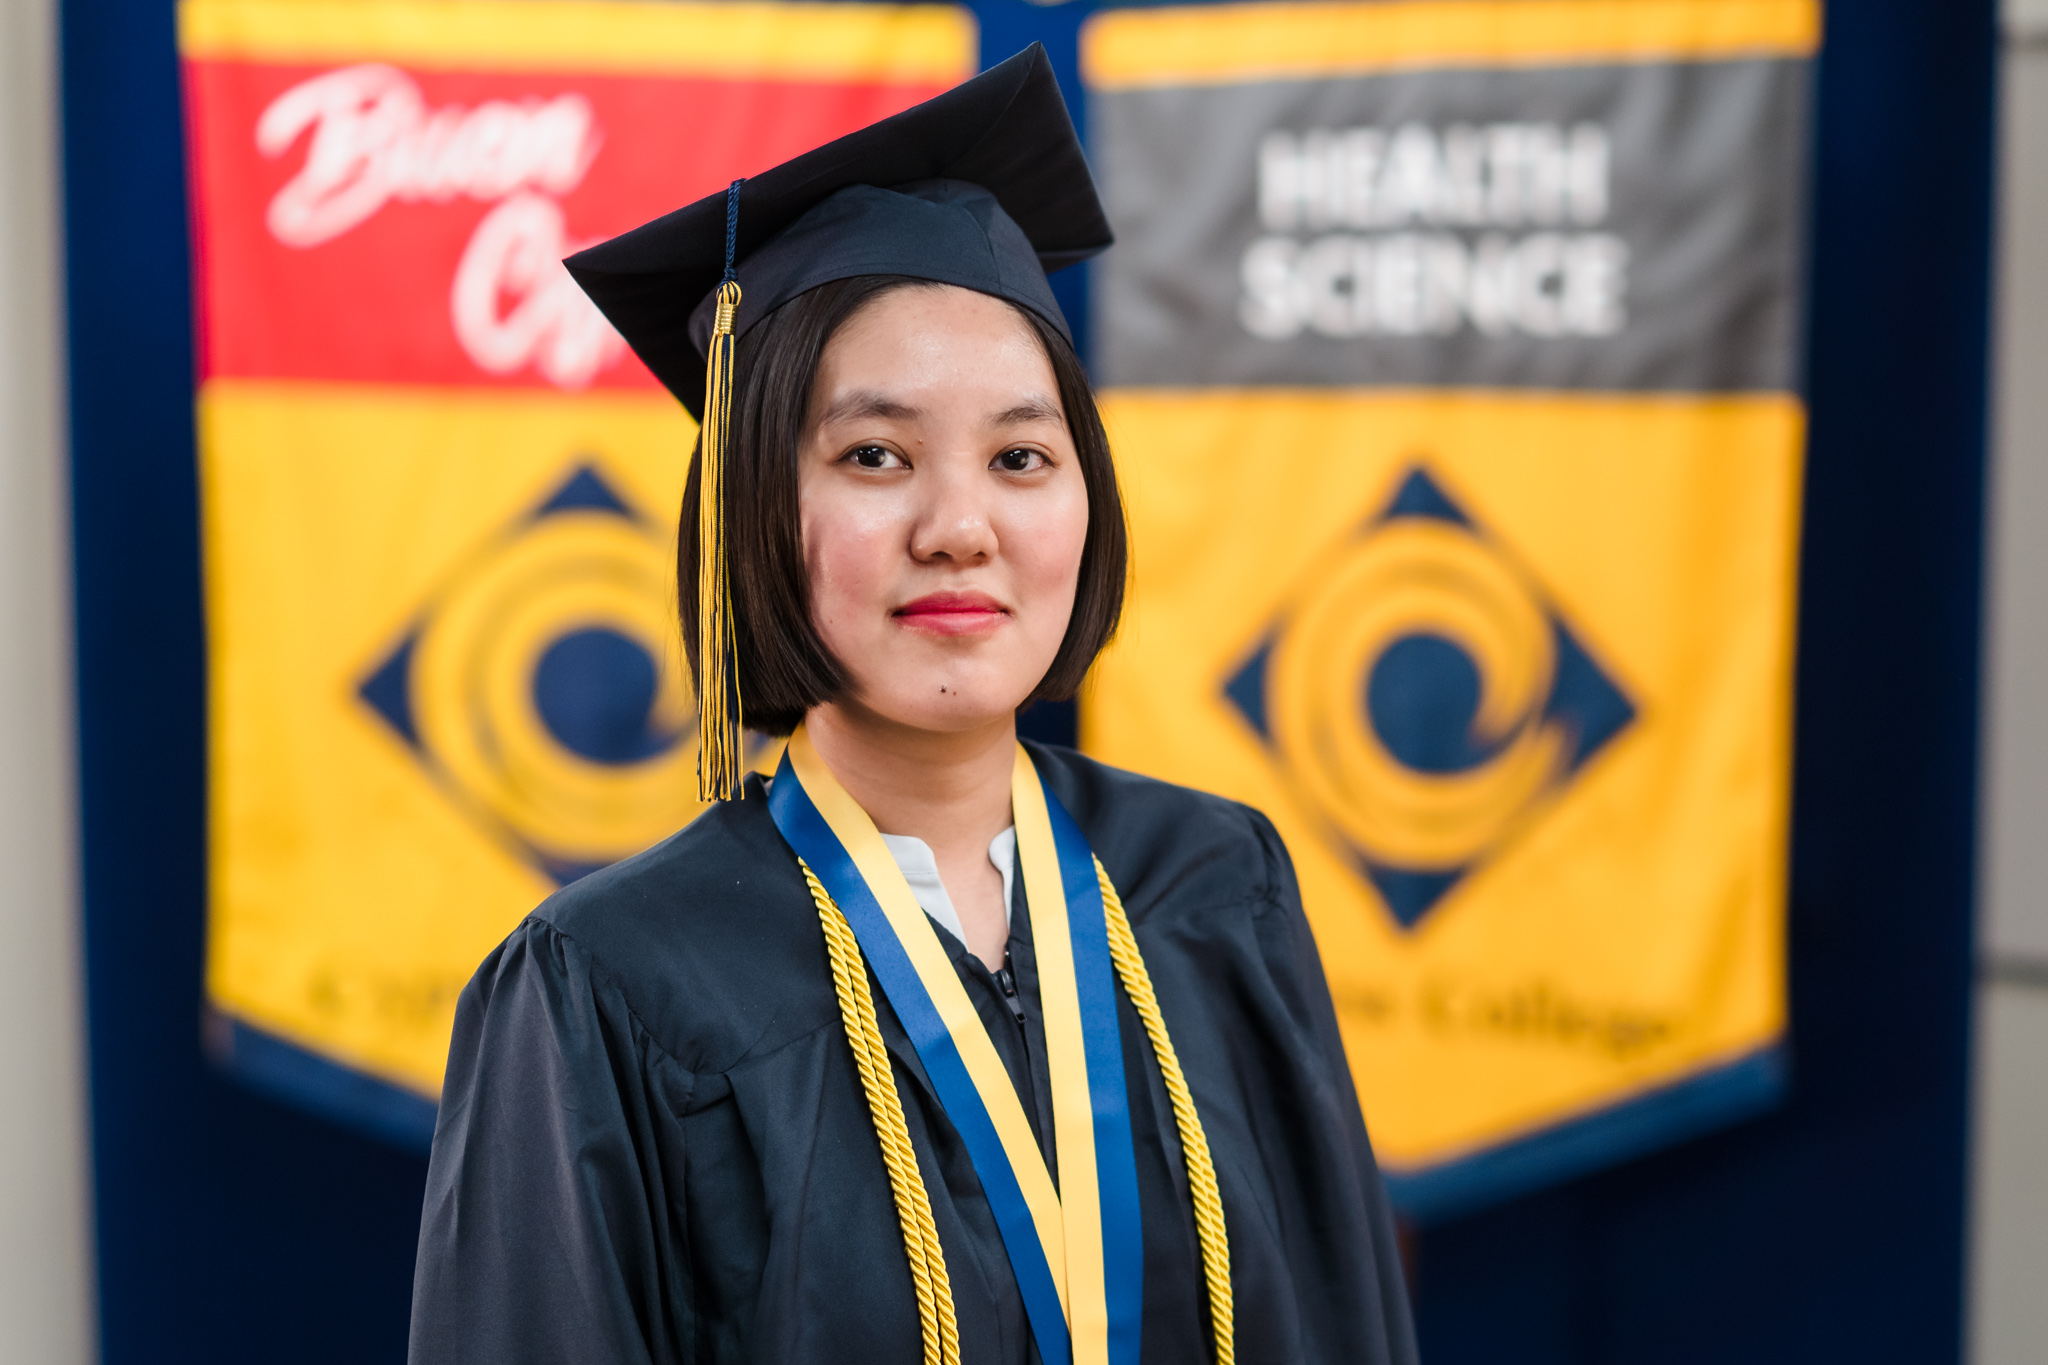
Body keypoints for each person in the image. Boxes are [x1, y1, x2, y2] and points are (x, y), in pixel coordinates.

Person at [407, 46, 1418, 1365]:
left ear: (1085, 501)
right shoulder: (617, 984)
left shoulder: (1216, 890)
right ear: (758, 503)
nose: (959, 526)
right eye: (875, 455)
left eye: (1020, 456)